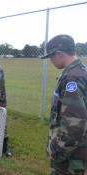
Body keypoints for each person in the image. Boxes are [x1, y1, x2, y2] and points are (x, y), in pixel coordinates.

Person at [41, 34, 87, 174]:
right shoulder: (80, 71)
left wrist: (58, 152)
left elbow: (74, 124)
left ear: (60, 54)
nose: (51, 61)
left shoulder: (71, 78)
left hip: (69, 158)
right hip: (76, 153)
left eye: (51, 57)